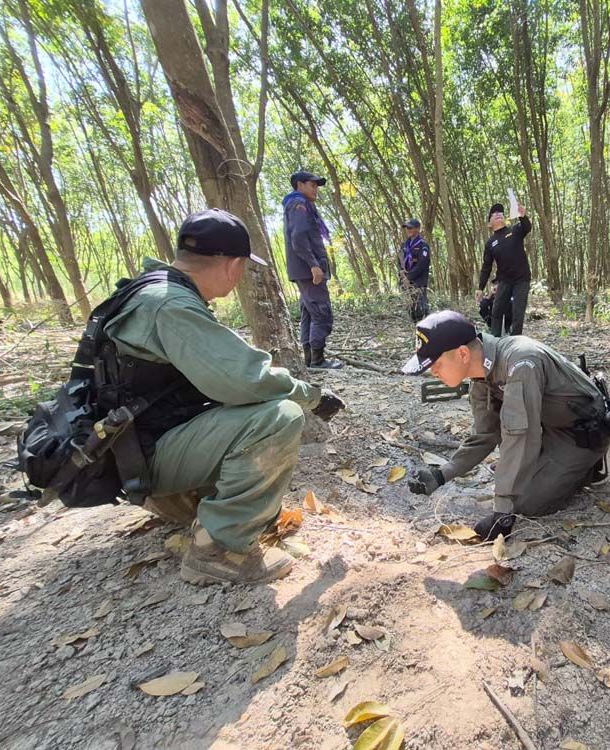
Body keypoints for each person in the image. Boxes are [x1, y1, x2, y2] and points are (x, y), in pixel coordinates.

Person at [99, 209, 345, 585]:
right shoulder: (170, 305)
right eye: (243, 267)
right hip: (144, 456)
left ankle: (192, 505)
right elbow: (243, 379)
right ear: (232, 265)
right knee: (279, 417)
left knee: (245, 410)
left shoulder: (150, 290)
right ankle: (217, 548)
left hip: (136, 447)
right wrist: (311, 397)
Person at [403, 311, 610, 541]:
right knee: (512, 474)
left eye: (436, 363)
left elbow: (520, 435)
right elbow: (485, 436)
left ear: (463, 354)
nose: (433, 371)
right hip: (547, 427)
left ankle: (589, 467)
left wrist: (502, 514)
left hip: (580, 434)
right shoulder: (480, 376)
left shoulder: (520, 363)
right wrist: (441, 474)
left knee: (527, 502)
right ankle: (549, 463)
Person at [283, 170, 342, 369]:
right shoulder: (298, 204)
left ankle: (310, 359)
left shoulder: (300, 204)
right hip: (307, 270)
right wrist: (313, 265)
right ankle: (317, 359)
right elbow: (298, 237)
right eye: (313, 185)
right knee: (321, 312)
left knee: (309, 312)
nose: (316, 189)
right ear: (300, 184)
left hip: (303, 269)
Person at [475, 203, 531, 336]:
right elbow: (486, 267)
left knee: (518, 313)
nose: (498, 214)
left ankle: (516, 341)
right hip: (504, 280)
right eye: (494, 214)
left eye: (500, 212)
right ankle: (495, 339)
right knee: (497, 310)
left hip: (521, 279)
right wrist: (480, 288)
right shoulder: (490, 243)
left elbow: (527, 227)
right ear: (489, 224)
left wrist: (522, 216)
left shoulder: (514, 231)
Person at [398, 218, 431, 322]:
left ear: (417, 229)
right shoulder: (404, 246)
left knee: (420, 310)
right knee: (411, 310)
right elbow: (400, 261)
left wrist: (409, 277)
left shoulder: (423, 245)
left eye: (411, 228)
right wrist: (401, 272)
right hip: (406, 283)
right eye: (407, 228)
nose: (408, 230)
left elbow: (422, 264)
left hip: (418, 283)